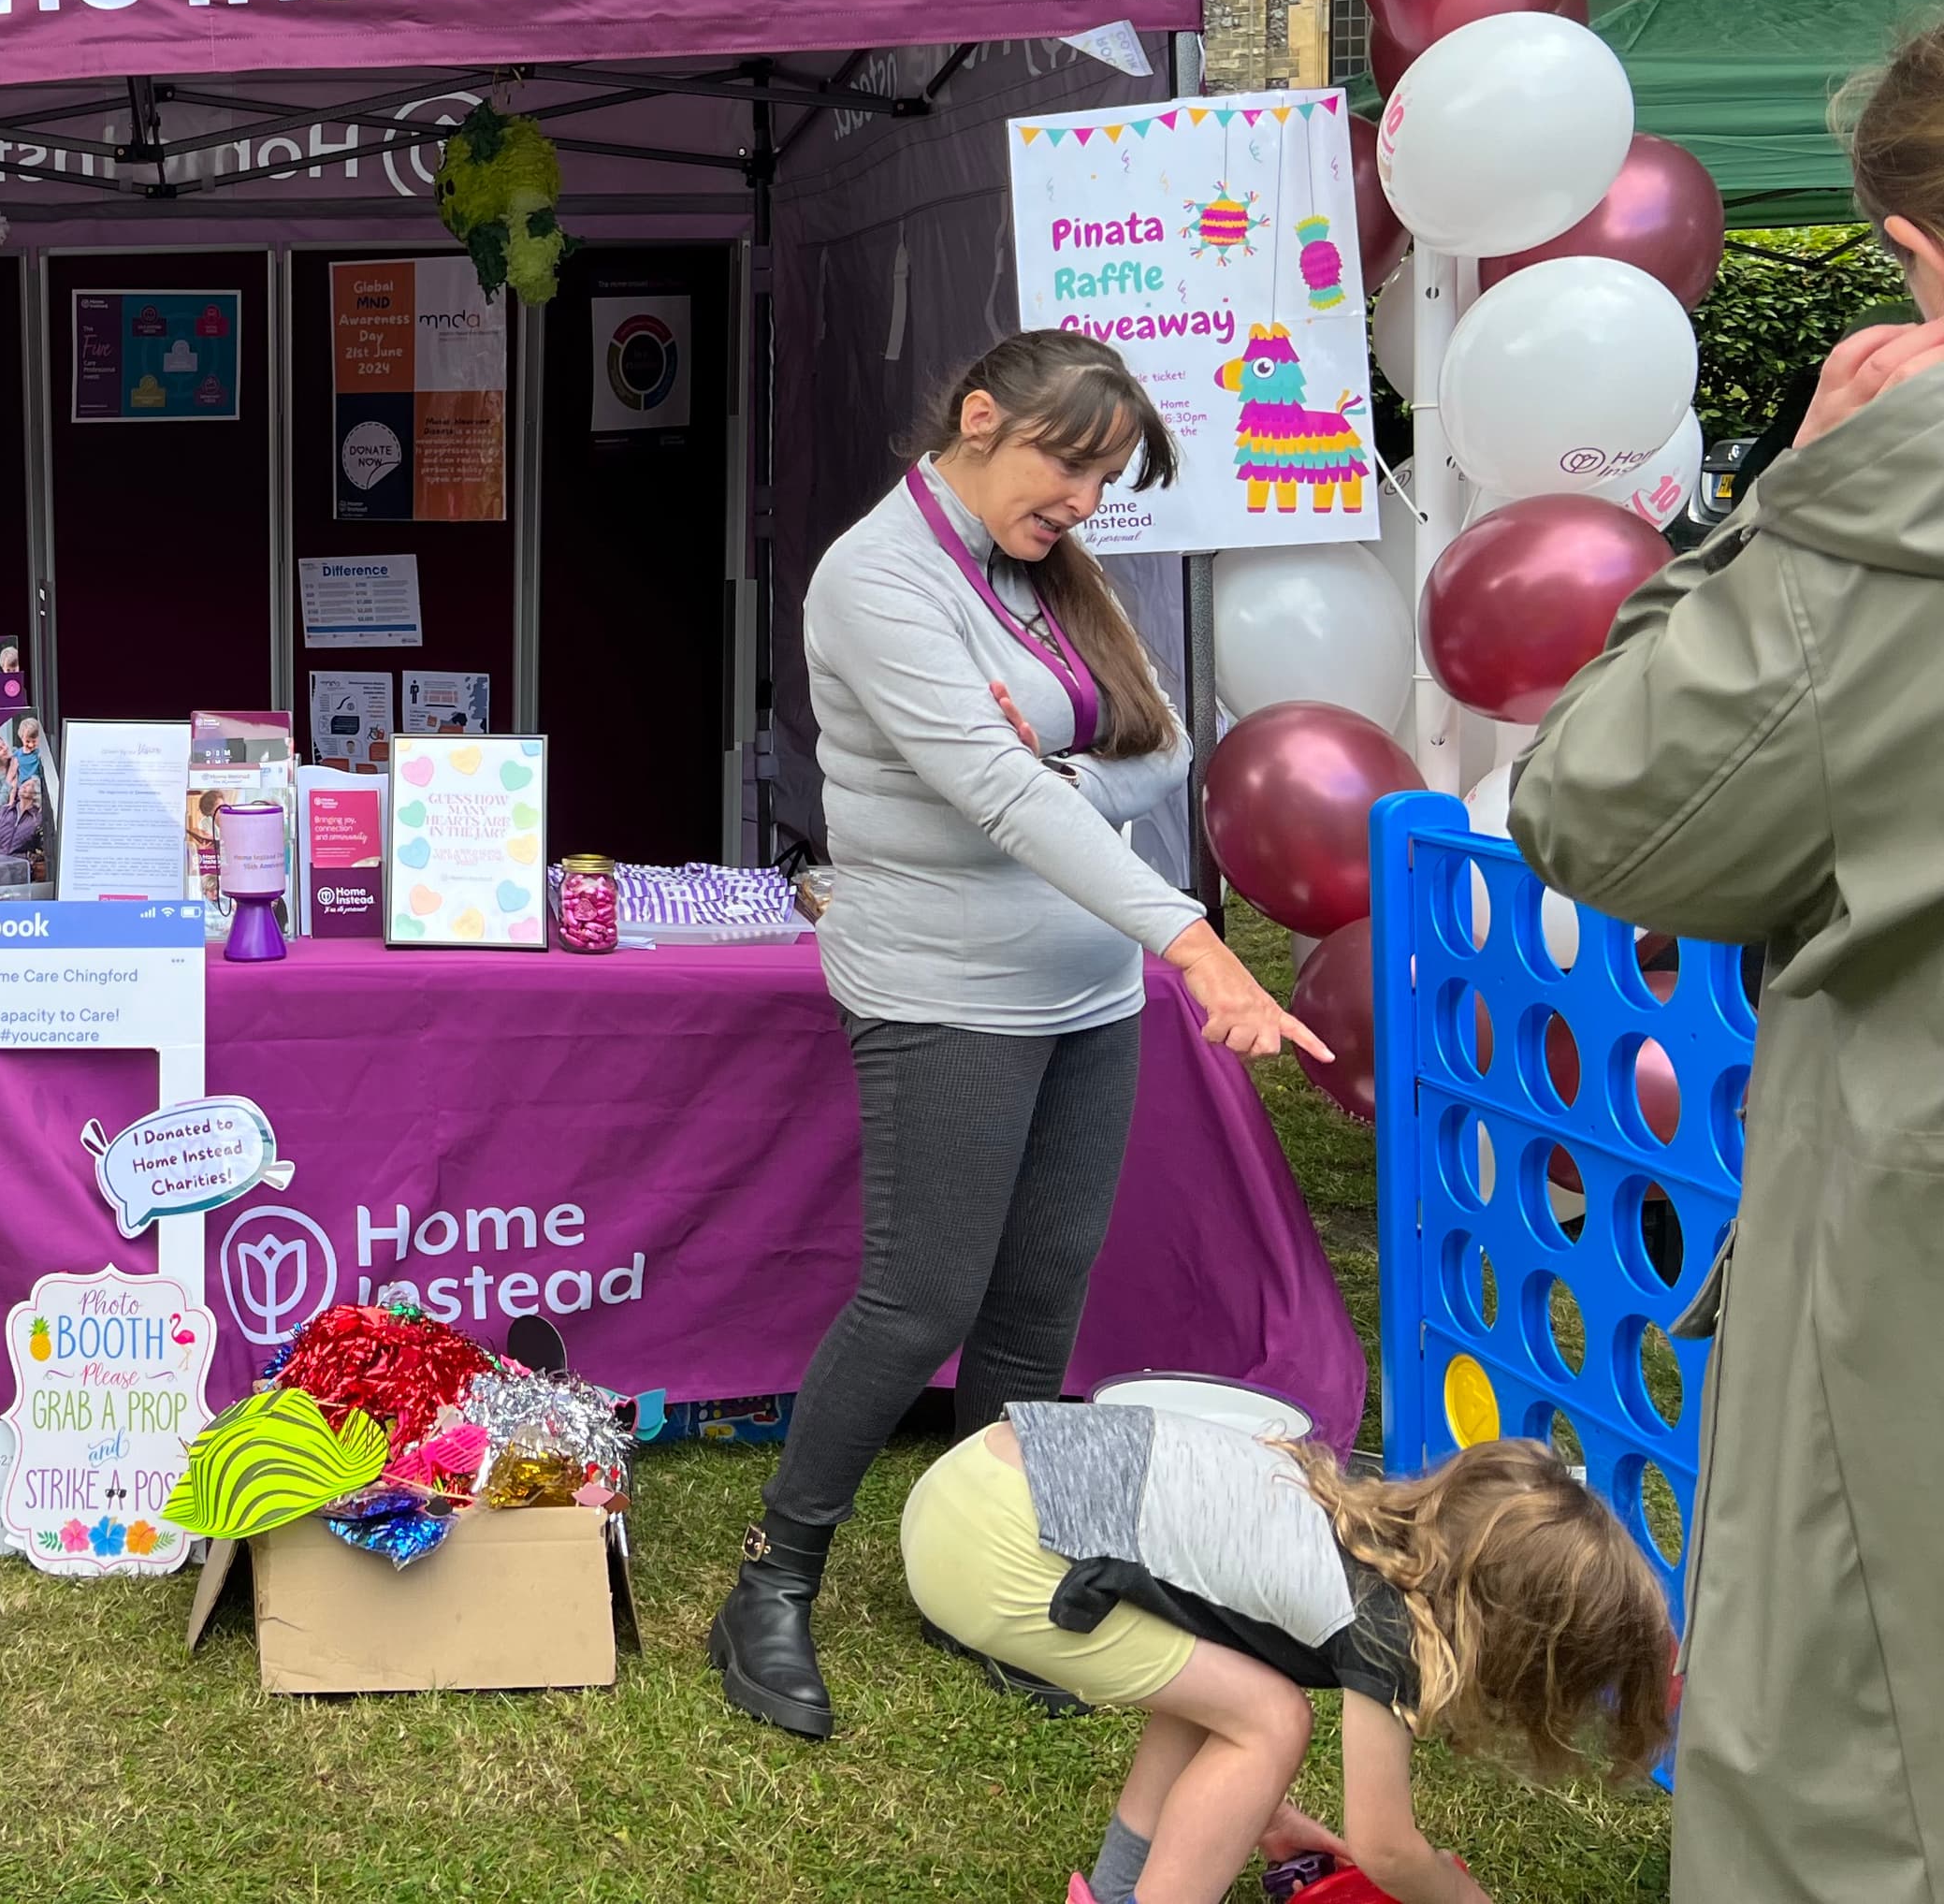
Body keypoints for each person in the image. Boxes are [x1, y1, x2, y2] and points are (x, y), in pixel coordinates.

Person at [711, 329, 1320, 1741]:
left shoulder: (1039, 572)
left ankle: (1007, 1568)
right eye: (1072, 464)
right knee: (921, 1300)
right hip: (946, 990)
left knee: (1044, 1293)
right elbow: (1002, 799)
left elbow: (1159, 743)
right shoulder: (879, 578)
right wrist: (1191, 937)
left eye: (1108, 478)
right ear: (978, 418)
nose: (1089, 504)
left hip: (1084, 986)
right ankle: (772, 1577)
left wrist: (1065, 772)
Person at [1511, 22, 1944, 1903]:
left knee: (1856, 1765)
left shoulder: (1888, 521)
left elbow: (1605, 805)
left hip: (1907, 1280)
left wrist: (1794, 489)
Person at [902, 1410, 1674, 1904]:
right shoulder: (1391, 1626)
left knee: (1234, 1693)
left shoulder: (1369, 1530)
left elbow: (1215, 1654)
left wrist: (1267, 1816)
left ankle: (1115, 1890)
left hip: (978, 1480)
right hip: (998, 1545)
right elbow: (1386, 1846)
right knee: (1271, 1721)